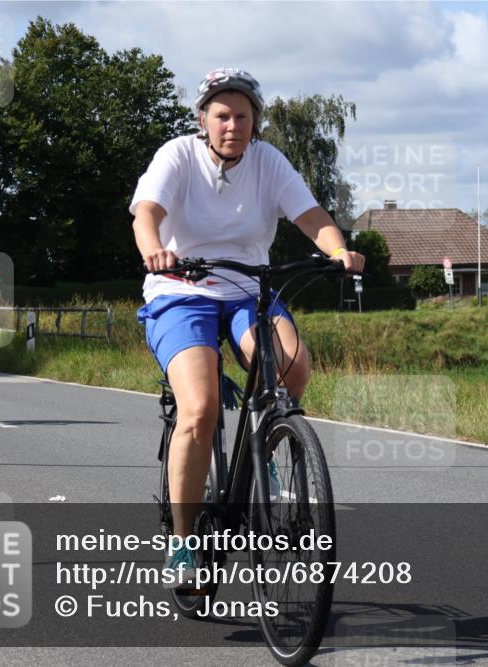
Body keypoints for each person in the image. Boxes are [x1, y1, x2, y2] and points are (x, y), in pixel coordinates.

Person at [130, 67, 364, 586]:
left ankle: (267, 441)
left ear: (255, 120)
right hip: (181, 291)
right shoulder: (178, 156)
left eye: (241, 115)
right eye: (221, 115)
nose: (231, 125)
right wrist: (156, 250)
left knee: (293, 366)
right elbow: (146, 212)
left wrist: (338, 249)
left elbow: (310, 216)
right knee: (199, 409)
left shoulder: (268, 161)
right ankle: (183, 543)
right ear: (203, 119)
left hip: (245, 289)